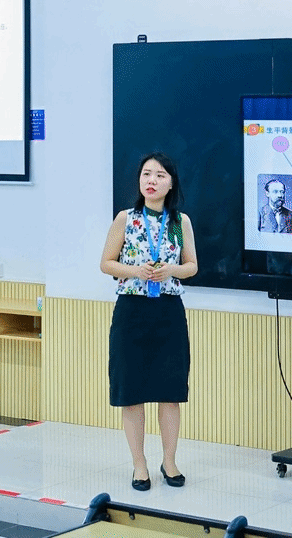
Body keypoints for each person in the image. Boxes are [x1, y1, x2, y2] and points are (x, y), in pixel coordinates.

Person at [100, 152, 198, 491]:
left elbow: (192, 266)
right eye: (146, 174)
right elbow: (106, 263)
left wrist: (171, 270)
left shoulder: (179, 221)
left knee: (170, 392)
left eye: (159, 175)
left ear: (171, 183)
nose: (151, 180)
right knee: (131, 392)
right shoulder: (125, 218)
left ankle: (169, 461)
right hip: (132, 311)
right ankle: (139, 465)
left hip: (168, 311)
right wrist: (135, 271)